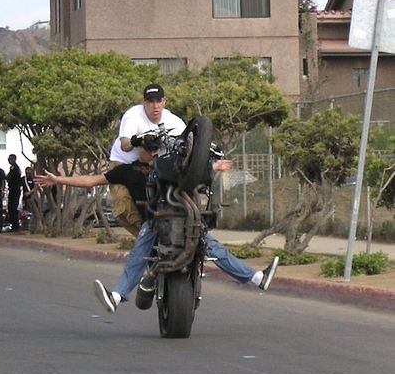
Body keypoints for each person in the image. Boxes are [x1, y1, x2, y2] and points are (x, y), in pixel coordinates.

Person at [35, 148, 279, 314]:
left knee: (211, 246)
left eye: (155, 146)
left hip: (183, 221)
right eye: (146, 145)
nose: (151, 150)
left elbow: (194, 169)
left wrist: (213, 164)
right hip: (152, 222)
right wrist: (58, 179)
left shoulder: (169, 165)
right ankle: (117, 297)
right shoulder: (126, 171)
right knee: (138, 255)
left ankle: (257, 278)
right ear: (137, 148)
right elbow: (92, 180)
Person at [108, 83, 186, 237]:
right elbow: (124, 145)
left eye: (158, 101)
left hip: (152, 165)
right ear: (144, 103)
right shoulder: (133, 115)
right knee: (123, 206)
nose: (155, 106)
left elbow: (191, 145)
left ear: (164, 102)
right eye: (150, 102)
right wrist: (136, 141)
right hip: (123, 163)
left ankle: (176, 233)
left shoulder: (175, 122)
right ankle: (148, 239)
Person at [6, 154, 22, 231]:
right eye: (9, 159)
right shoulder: (12, 168)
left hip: (15, 189)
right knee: (10, 208)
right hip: (12, 189)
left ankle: (15, 226)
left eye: (11, 159)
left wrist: (7, 177)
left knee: (13, 208)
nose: (9, 161)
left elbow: (11, 178)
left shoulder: (15, 168)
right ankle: (13, 225)